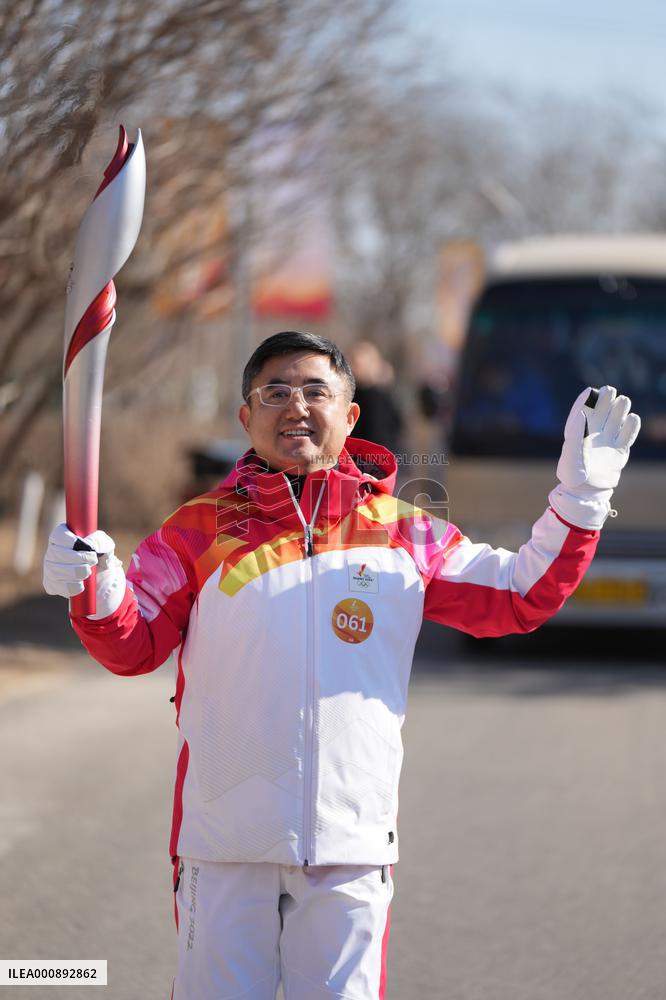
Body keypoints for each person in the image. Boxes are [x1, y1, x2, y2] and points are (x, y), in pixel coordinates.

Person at [43, 330, 640, 1000]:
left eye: (314, 390)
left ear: (350, 414)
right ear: (246, 418)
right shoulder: (198, 531)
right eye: (273, 392)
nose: (294, 405)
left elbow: (517, 597)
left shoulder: (406, 532)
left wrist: (581, 501)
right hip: (224, 846)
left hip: (351, 852)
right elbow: (133, 645)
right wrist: (91, 589)